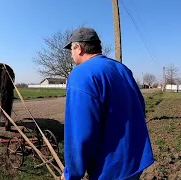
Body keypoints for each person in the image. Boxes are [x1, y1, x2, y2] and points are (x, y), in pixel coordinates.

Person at [60, 27, 154, 180]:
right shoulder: (123, 69)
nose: (71, 54)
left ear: (79, 48)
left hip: (109, 170)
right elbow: (140, 108)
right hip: (136, 161)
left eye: (71, 48)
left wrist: (71, 173)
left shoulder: (81, 74)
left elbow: (80, 132)